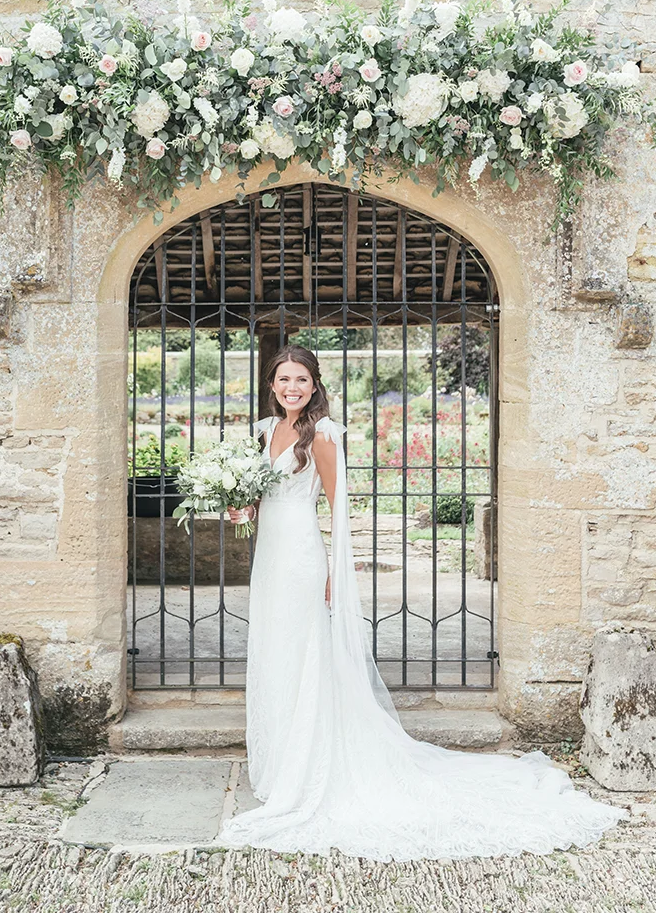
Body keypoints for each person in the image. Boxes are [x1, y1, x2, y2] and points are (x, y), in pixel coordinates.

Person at [217, 345, 627, 861]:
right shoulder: (262, 431)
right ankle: (280, 764)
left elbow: (339, 508)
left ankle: (311, 764)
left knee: (306, 656)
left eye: (301, 378)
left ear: (314, 384)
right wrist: (240, 508)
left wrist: (335, 576)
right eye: (284, 379)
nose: (292, 386)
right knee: (276, 653)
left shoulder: (321, 435)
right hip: (269, 557)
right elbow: (261, 497)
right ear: (272, 385)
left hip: (300, 555)